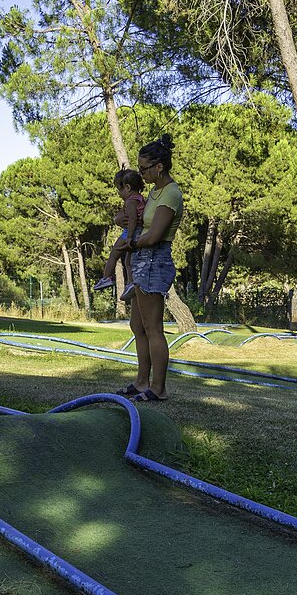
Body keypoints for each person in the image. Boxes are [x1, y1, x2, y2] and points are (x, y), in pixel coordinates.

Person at [112, 135, 183, 402]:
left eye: (144, 169)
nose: (141, 174)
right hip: (142, 259)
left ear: (159, 167)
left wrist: (129, 244)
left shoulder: (171, 193)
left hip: (155, 259)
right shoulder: (154, 192)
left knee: (153, 327)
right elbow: (137, 220)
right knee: (137, 325)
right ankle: (142, 382)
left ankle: (158, 387)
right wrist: (124, 220)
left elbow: (154, 236)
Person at [92, 169, 146, 300]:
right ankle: (130, 283)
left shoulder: (130, 201)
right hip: (140, 232)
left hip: (130, 233)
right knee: (128, 261)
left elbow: (133, 219)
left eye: (119, 189)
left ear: (127, 187)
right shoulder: (141, 199)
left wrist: (128, 237)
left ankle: (106, 278)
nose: (118, 193)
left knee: (113, 255)